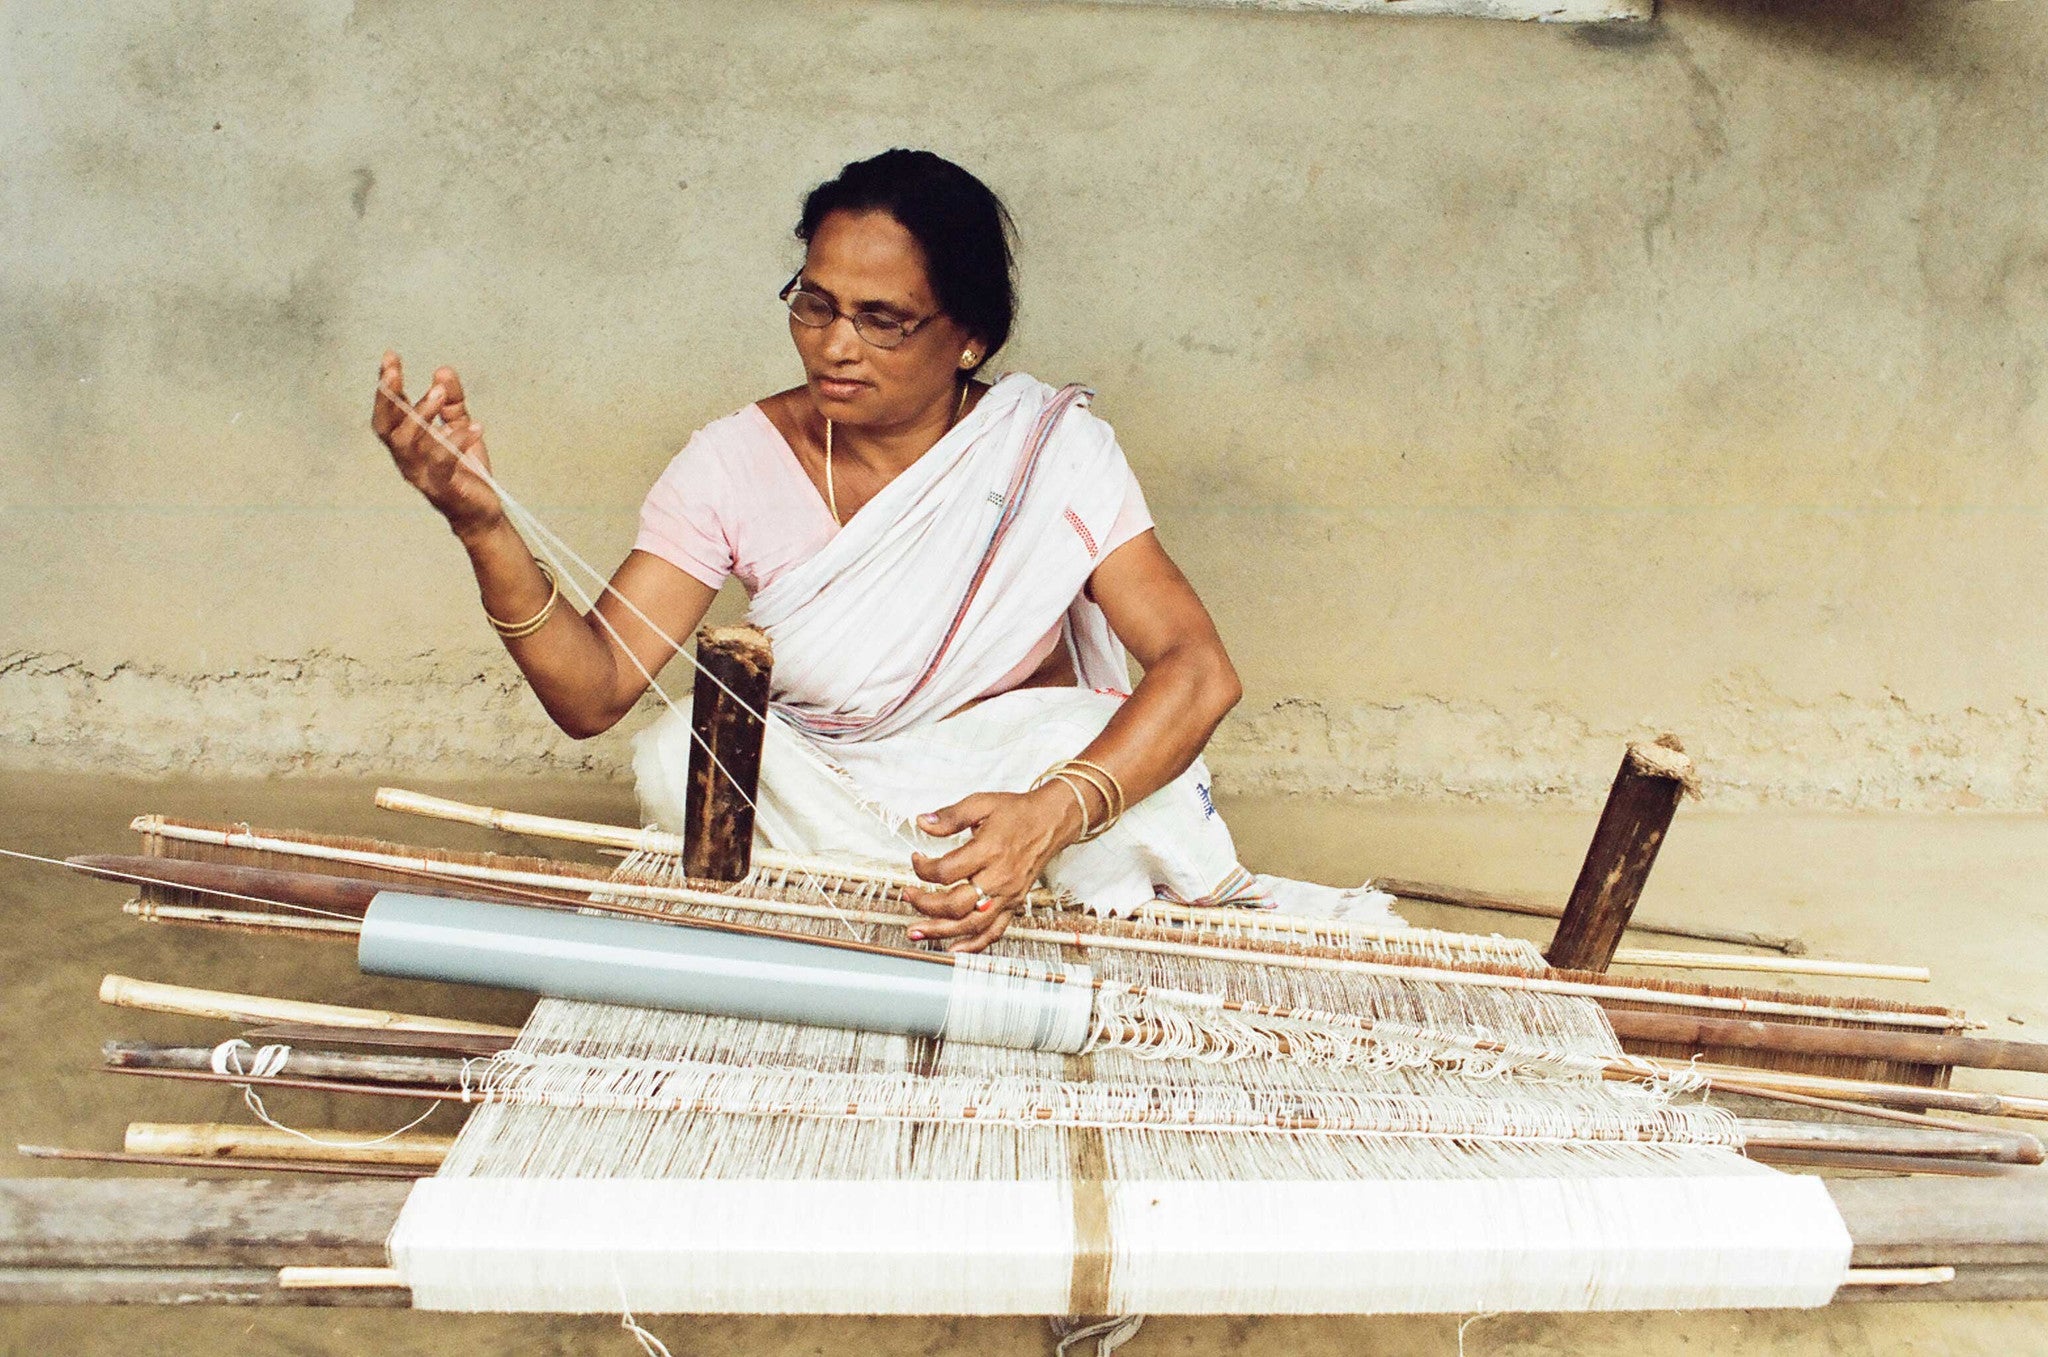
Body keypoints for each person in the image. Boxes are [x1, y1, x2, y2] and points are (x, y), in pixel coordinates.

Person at [374, 149, 1395, 953]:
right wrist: (480, 523)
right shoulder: (732, 463)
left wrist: (1048, 811)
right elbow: (591, 691)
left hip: (1008, 791)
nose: (833, 345)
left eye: (881, 320)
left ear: (968, 338)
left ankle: (974, 882)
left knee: (1112, 732)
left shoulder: (1048, 452)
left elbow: (1198, 670)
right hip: (831, 795)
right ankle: (965, 899)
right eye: (813, 304)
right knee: (672, 746)